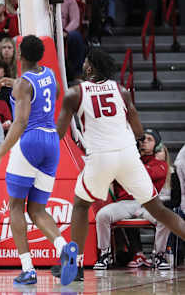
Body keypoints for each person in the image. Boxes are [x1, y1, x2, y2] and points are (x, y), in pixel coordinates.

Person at [53, 48, 185, 283]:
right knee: (159, 210)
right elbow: (138, 129)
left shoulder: (74, 93)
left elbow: (60, 133)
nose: (83, 65)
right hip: (127, 156)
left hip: (101, 157)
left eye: (85, 62)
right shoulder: (121, 90)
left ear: (91, 68)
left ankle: (76, 264)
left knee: (81, 205)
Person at [0, 35, 77, 286]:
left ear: (19, 54)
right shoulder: (48, 74)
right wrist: (16, 84)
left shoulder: (23, 84)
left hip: (30, 141)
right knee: (37, 209)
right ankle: (64, 247)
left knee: (16, 207)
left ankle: (28, 269)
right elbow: (52, 93)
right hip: (51, 141)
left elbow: (21, 122)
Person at [91, 128, 170, 270]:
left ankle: (159, 255)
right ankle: (105, 254)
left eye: (149, 139)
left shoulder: (161, 165)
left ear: (157, 145)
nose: (144, 142)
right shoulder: (128, 161)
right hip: (125, 203)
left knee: (165, 219)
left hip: (148, 204)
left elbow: (143, 173)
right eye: (142, 139)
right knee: (102, 215)